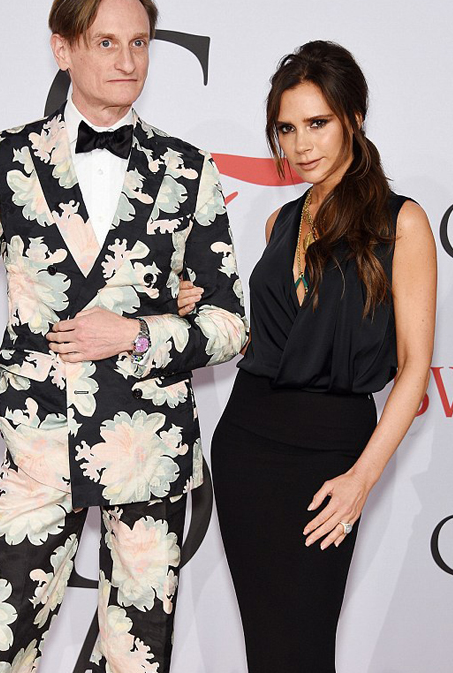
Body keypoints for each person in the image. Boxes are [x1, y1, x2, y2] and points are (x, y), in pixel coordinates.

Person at [0, 0, 247, 673]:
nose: (127, 61)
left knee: (137, 658)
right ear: (63, 48)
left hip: (149, 450)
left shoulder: (188, 169)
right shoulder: (3, 160)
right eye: (106, 42)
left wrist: (136, 334)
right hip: (38, 445)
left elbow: (229, 323)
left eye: (139, 43)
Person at [178, 40, 436, 672]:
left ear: (354, 117)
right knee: (268, 648)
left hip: (332, 454)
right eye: (286, 129)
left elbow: (413, 371)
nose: (300, 145)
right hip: (246, 445)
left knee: (305, 648)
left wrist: (361, 479)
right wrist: (205, 308)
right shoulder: (280, 223)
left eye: (317, 123)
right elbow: (273, 339)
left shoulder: (401, 224)